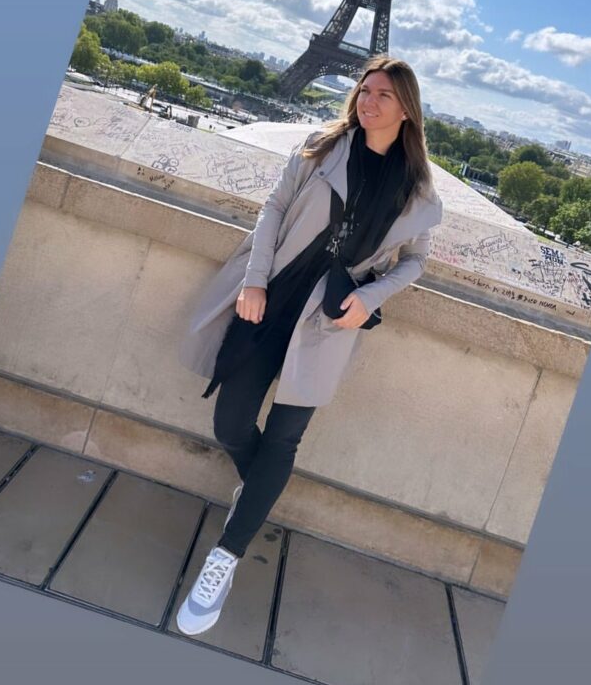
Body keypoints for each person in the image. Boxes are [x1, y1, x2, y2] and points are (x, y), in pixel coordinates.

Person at [176, 54, 443, 636]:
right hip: (271, 298)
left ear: (407, 110)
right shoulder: (321, 146)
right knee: (230, 423)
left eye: (384, 95)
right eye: (365, 90)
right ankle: (257, 494)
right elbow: (273, 210)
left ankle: (225, 556)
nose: (369, 102)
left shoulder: (416, 187)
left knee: (284, 438)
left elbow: (416, 261)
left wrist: (372, 297)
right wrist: (253, 281)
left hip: (327, 319)